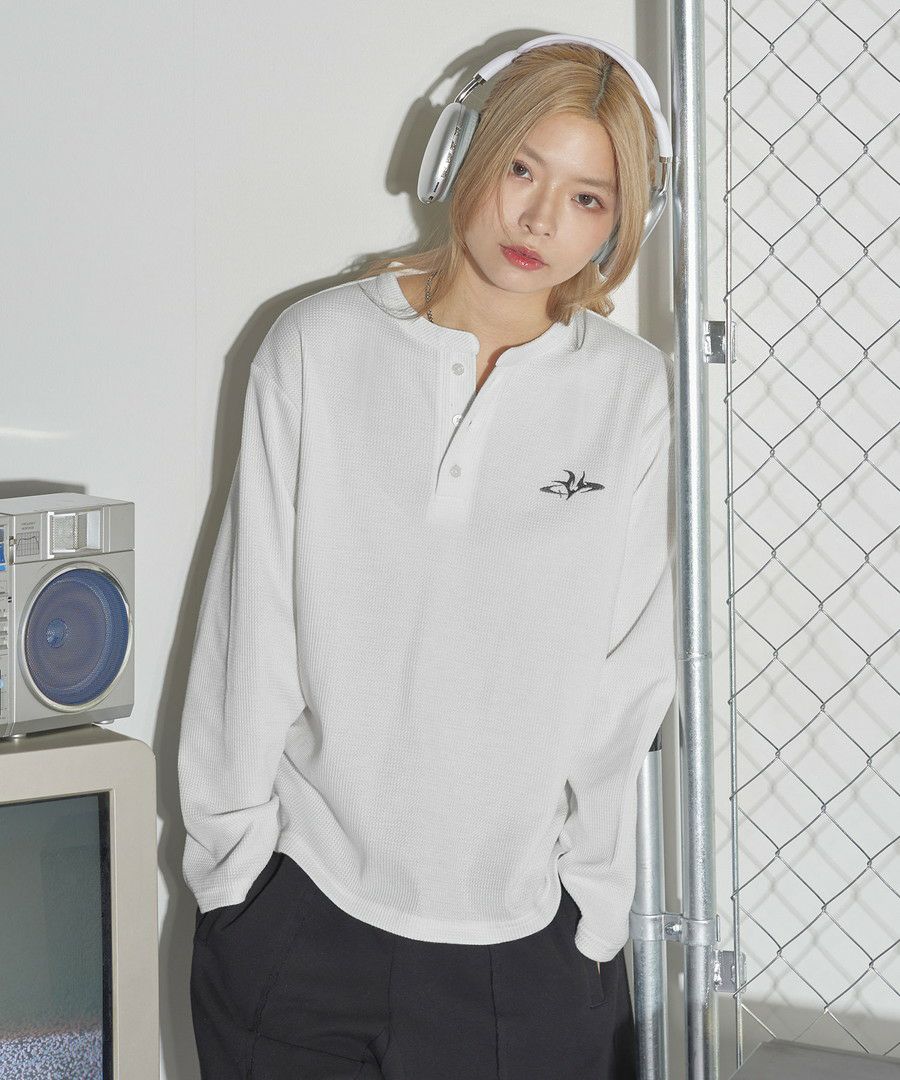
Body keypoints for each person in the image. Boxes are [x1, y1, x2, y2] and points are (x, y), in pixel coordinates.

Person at [178, 32, 676, 1080]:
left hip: (529, 950)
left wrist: (593, 912)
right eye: (524, 169)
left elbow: (629, 679)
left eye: (588, 197)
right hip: (302, 921)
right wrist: (232, 874)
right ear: (462, 153)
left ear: (621, 222)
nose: (542, 219)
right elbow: (249, 620)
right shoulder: (315, 346)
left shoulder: (631, 393)